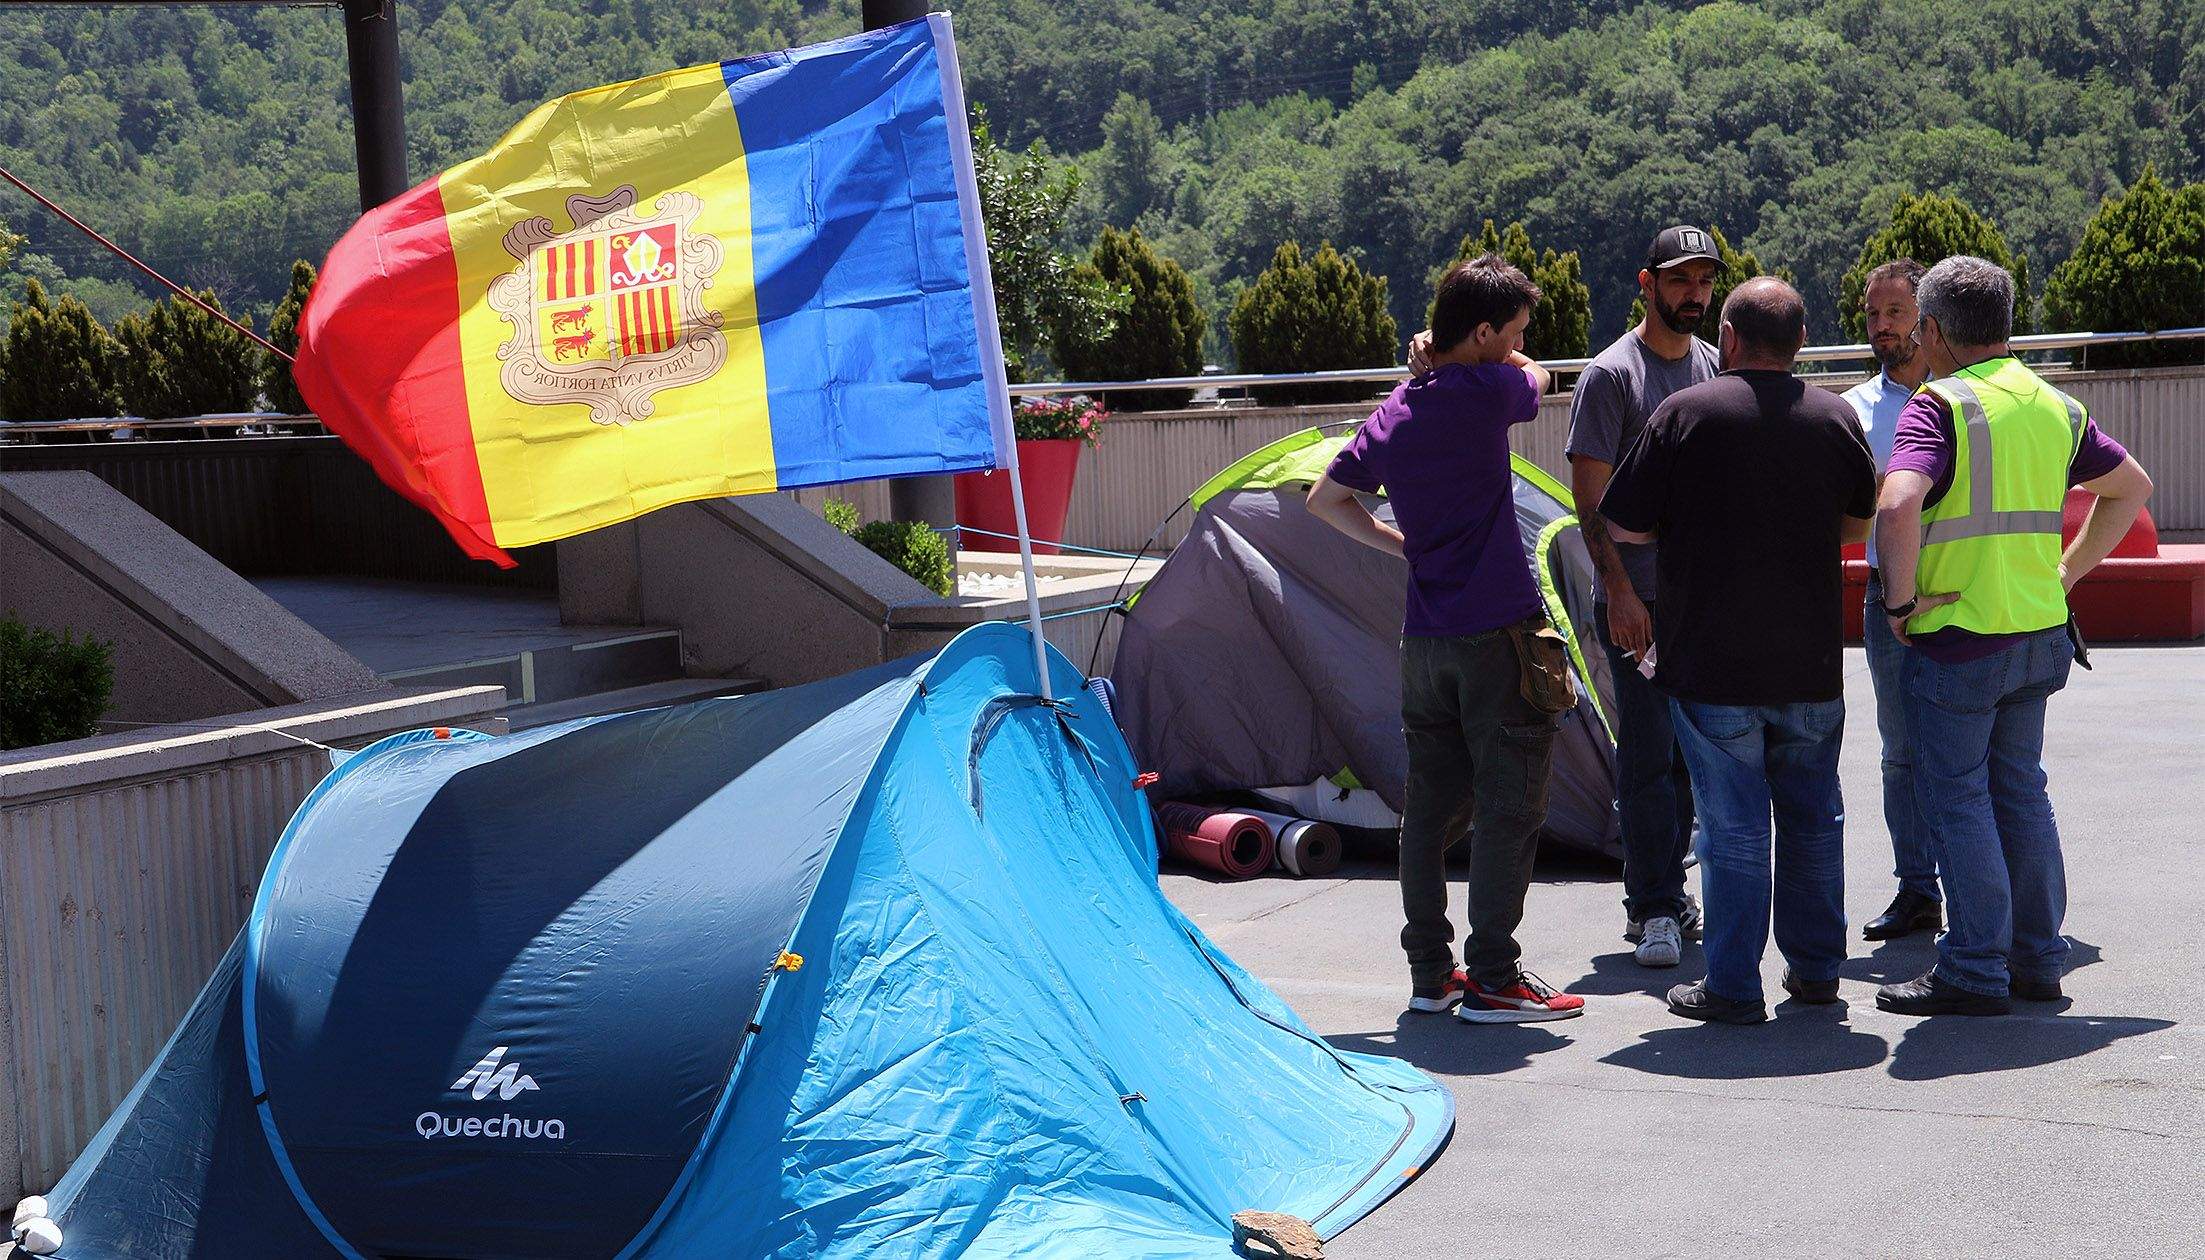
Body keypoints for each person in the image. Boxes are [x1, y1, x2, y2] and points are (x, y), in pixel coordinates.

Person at [1307, 254, 1586, 1024]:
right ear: (1484, 332)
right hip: (1496, 632)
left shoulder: (1400, 406)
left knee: (1427, 815)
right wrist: (1483, 356)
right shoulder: (1487, 386)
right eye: (1514, 331)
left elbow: (1325, 499)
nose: (1519, 344)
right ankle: (1494, 976)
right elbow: (1540, 380)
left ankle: (1431, 976)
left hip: (1424, 640)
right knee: (1509, 806)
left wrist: (1399, 545)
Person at [1872, 255, 2154, 1016]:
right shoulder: (2053, 405)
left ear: (1932, 330)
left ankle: (1972, 967)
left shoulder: (1940, 405)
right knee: (2020, 792)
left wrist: (1899, 604)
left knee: (1956, 798)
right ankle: (2036, 959)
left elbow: (1896, 505)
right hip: (2038, 634)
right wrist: (2064, 574)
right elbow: (2131, 488)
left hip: (1961, 640)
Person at [1599, 277, 1877, 1024]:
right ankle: (1815, 972)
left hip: (1712, 664)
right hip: (1810, 664)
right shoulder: (1834, 415)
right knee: (1814, 819)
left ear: (1726, 338)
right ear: (1800, 342)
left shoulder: (1683, 413)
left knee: (1734, 830)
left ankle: (1731, 986)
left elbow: (1624, 524)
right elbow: (1858, 524)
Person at [1566, 225, 1720, 969]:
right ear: (1647, 283)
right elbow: (1588, 504)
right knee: (1649, 758)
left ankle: (1674, 894)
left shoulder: (1715, 365)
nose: (1694, 293)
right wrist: (1621, 596)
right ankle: (1653, 908)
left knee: (1696, 755)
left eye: (1705, 281)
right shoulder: (1611, 376)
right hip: (1639, 602)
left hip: (1703, 601)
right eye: (1680, 279)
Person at [1842, 258, 1945, 941]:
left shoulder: (1968, 398)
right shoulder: (1852, 411)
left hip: (1964, 590)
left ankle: (1985, 893)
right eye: (1873, 314)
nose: (1881, 326)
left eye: (1895, 313)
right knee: (1900, 752)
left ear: (1925, 318)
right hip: (1887, 599)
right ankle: (1917, 890)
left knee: (1980, 750)